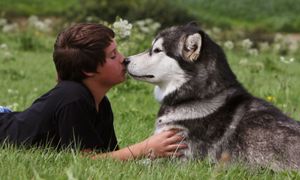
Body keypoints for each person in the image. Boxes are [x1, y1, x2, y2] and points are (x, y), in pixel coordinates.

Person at [0, 23, 186, 160]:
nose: (123, 59)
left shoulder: (100, 103)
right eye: (113, 55)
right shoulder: (73, 98)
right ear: (88, 70)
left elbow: (107, 157)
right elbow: (83, 161)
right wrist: (145, 148)